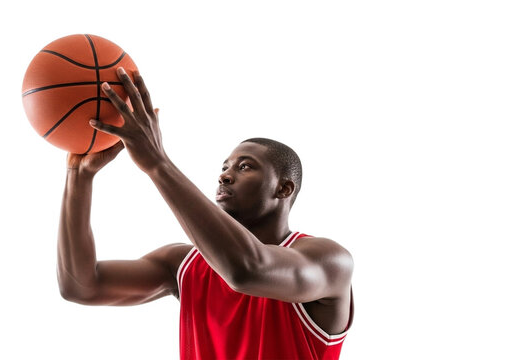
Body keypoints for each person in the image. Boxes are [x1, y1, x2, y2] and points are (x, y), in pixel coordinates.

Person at [57, 67, 354, 360]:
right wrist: (79, 176)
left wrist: (157, 162)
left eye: (245, 166)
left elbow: (248, 270)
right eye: (224, 167)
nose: (225, 176)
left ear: (284, 189)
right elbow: (82, 286)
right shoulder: (183, 264)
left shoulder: (328, 261)